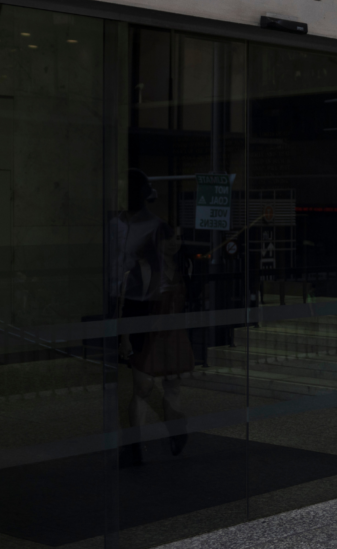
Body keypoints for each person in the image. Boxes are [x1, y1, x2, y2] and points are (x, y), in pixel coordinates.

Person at [112, 168, 196, 467]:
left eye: (177, 238)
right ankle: (136, 444)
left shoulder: (182, 268)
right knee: (143, 388)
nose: (174, 243)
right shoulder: (143, 269)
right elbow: (128, 305)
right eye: (168, 239)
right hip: (148, 331)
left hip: (170, 332)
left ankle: (174, 431)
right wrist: (126, 339)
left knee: (171, 386)